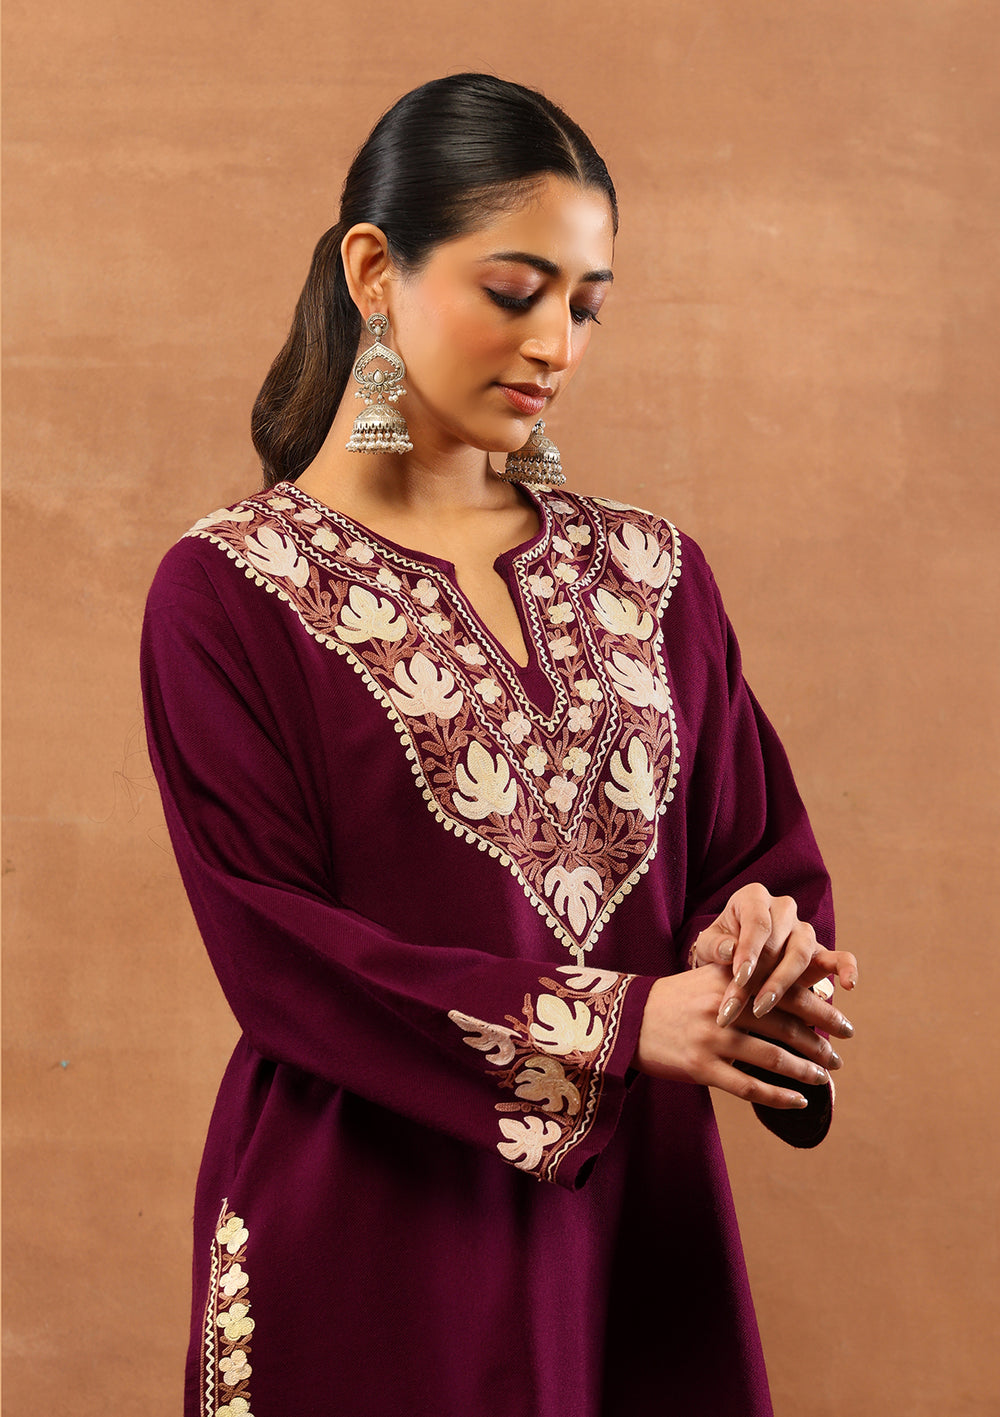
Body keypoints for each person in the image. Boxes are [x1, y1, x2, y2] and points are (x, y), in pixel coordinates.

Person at [142, 73, 858, 1417]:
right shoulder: (230, 594)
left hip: (636, 1244)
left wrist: (758, 949)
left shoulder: (651, 576)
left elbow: (759, 854)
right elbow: (279, 951)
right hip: (367, 1247)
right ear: (375, 270)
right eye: (516, 291)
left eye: (586, 306)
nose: (555, 345)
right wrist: (622, 1019)